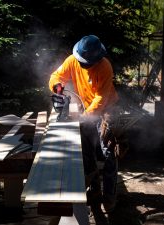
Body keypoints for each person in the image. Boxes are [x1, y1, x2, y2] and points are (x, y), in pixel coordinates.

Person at [48, 34, 120, 215]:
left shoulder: (105, 67)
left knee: (108, 152)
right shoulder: (72, 60)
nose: (81, 64)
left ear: (96, 59)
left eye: (86, 62)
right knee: (86, 150)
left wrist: (84, 117)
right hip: (87, 108)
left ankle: (109, 196)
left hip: (107, 109)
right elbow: (57, 75)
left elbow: (101, 98)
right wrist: (57, 87)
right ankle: (94, 190)